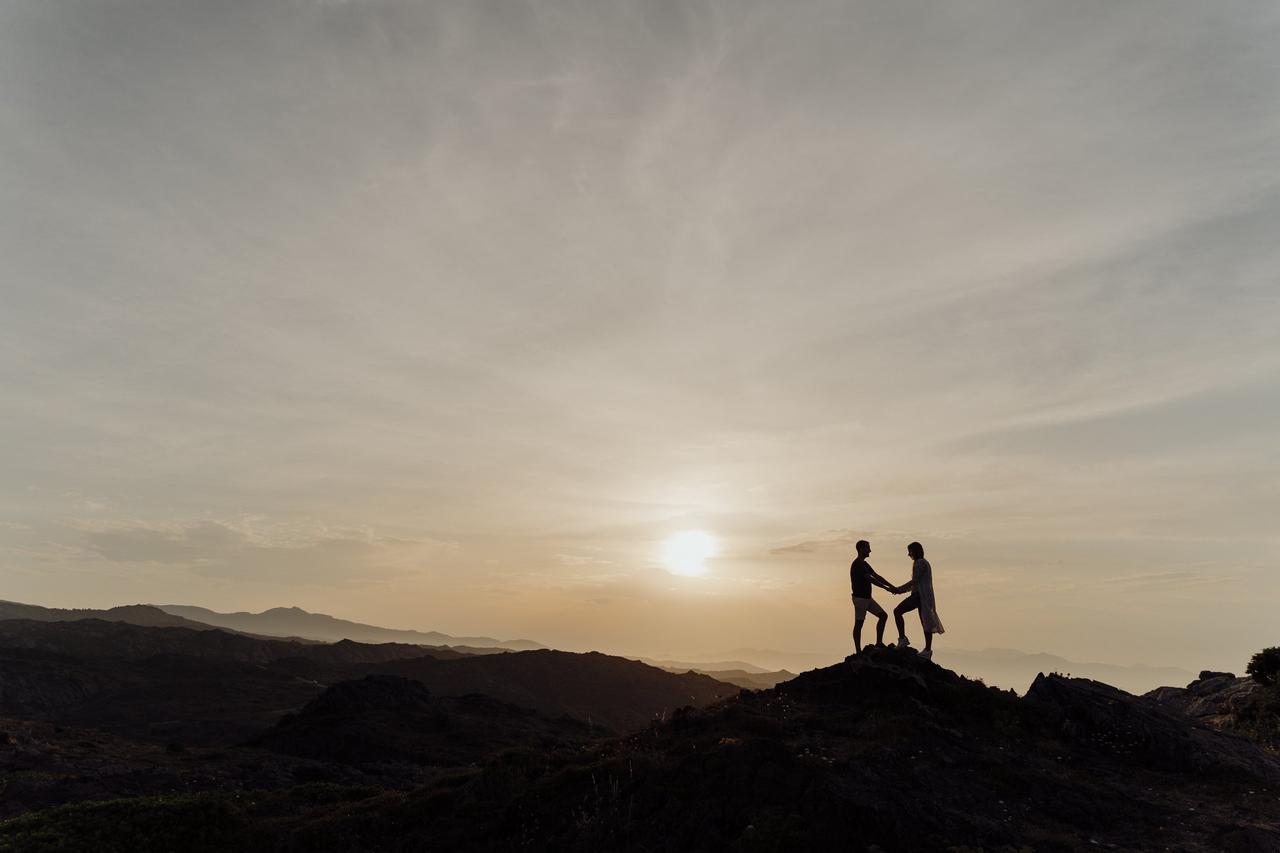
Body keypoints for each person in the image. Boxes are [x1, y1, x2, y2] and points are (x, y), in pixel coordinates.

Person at [891, 541, 945, 660]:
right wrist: (899, 590)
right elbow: (916, 583)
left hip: (919, 596)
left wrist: (898, 589)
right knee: (925, 622)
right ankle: (927, 650)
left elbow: (914, 582)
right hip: (923, 596)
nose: (908, 554)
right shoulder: (923, 562)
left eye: (909, 551)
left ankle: (903, 639)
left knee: (897, 611)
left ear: (914, 551)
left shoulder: (920, 563)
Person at [848, 539, 896, 653]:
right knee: (859, 623)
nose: (870, 550)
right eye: (867, 548)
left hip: (867, 598)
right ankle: (858, 651)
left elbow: (877, 576)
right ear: (861, 549)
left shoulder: (864, 564)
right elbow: (871, 579)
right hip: (860, 599)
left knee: (883, 616)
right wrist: (887, 588)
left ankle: (879, 642)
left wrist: (892, 587)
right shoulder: (858, 564)